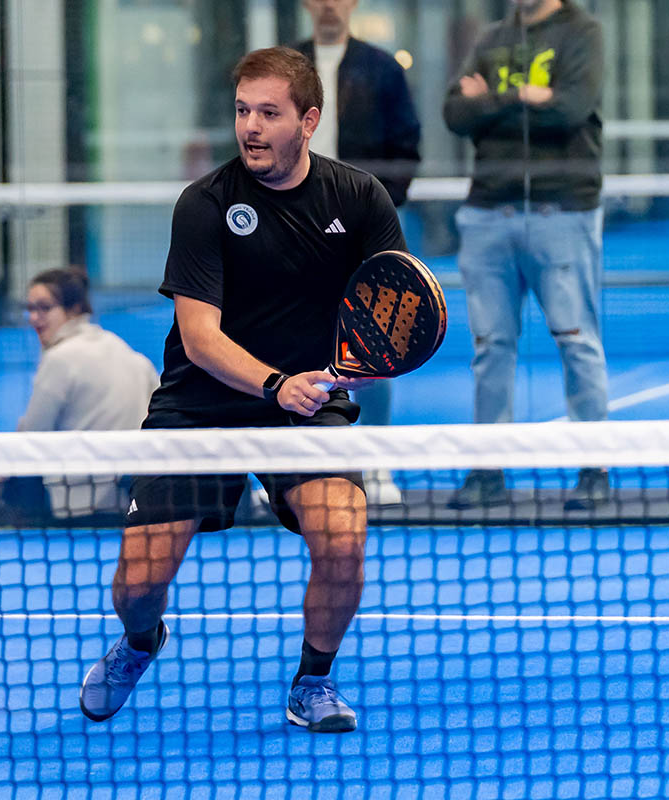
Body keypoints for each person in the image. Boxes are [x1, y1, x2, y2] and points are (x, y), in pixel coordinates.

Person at [78, 46, 407, 732]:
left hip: (307, 403)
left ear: (308, 121)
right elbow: (199, 337)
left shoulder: (358, 198)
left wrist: (359, 367)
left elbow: (391, 314)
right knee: (137, 585)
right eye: (241, 111)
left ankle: (313, 681)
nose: (250, 127)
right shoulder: (206, 203)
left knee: (344, 541)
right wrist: (274, 384)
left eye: (269, 113)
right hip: (200, 405)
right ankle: (140, 641)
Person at [442, 0, 608, 511]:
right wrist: (521, 96)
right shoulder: (492, 37)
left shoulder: (583, 33)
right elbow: (455, 112)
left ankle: (594, 469)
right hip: (487, 213)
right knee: (490, 347)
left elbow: (570, 109)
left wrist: (490, 100)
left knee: (576, 341)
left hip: (562, 212)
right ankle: (487, 470)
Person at [294, 0, 423, 506]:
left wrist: (374, 209)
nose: (329, 5)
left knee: (374, 343)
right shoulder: (286, 67)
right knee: (287, 340)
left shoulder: (382, 69)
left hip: (359, 230)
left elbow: (406, 148)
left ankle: (376, 462)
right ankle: (284, 470)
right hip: (293, 227)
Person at [0, 268, 159, 522]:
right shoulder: (132, 355)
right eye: (30, 309)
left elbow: (30, 438)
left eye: (44, 308)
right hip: (131, 499)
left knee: (11, 466)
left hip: (74, 505)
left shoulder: (59, 359)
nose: (34, 318)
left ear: (74, 309)